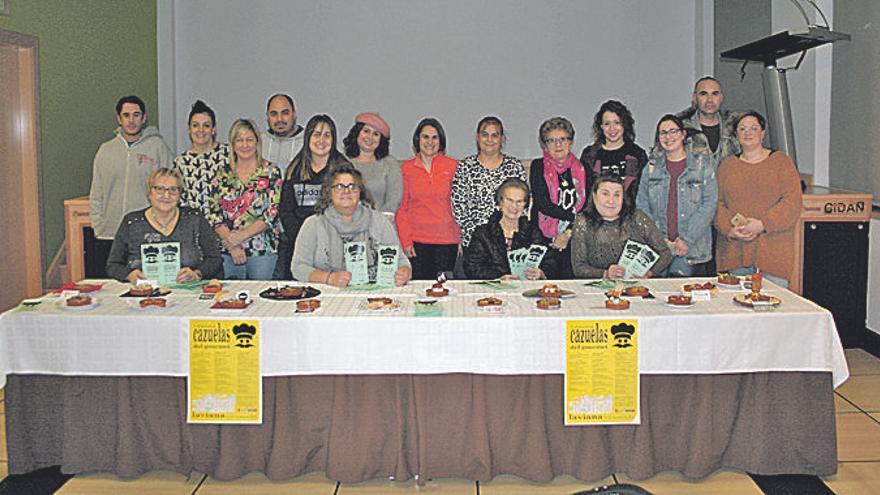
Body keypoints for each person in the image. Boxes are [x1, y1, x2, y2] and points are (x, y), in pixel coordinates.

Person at [715, 111, 802, 287]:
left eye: (753, 128)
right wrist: (729, 229)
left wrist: (763, 224)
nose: (748, 133)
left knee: (771, 308)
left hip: (773, 253)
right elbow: (716, 204)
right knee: (737, 309)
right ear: (736, 134)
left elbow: (792, 202)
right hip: (735, 252)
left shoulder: (781, 162)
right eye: (742, 129)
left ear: (763, 133)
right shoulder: (727, 166)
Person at [89, 95, 173, 275]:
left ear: (144, 118)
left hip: (146, 233)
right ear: (119, 119)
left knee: (148, 288)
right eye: (126, 115)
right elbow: (97, 193)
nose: (131, 120)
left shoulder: (158, 148)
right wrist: (98, 226)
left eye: (136, 115)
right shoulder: (105, 151)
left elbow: (171, 190)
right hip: (109, 234)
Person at [291, 166, 412, 286]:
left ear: (360, 192)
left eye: (352, 186)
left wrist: (404, 273)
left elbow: (401, 261)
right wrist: (329, 278)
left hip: (374, 294)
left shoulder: (379, 221)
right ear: (329, 192)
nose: (346, 192)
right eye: (339, 187)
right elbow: (298, 267)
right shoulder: (313, 224)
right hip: (327, 293)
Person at [636, 114, 718, 277]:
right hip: (659, 248)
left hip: (691, 249)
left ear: (683, 135)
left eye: (673, 131)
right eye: (663, 133)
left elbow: (709, 204)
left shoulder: (702, 166)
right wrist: (658, 240)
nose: (668, 137)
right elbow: (642, 205)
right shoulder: (651, 168)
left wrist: (686, 239)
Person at [106, 168, 222, 283]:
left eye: (173, 189)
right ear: (150, 193)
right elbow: (113, 266)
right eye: (160, 189)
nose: (166, 195)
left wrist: (197, 274)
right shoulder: (131, 222)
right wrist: (128, 275)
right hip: (144, 294)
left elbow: (215, 259)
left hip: (190, 292)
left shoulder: (194, 218)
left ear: (180, 194)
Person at [273, 115, 351, 280]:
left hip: (335, 247)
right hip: (299, 246)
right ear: (307, 137)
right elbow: (286, 211)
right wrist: (304, 240)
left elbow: (350, 208)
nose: (321, 140)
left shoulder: (344, 169)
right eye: (316, 134)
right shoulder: (295, 168)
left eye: (327, 135)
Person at [208, 118, 283, 280]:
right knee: (231, 301)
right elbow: (214, 215)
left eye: (249, 139)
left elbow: (272, 213)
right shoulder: (222, 174)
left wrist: (240, 237)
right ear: (233, 144)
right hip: (229, 251)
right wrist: (232, 245)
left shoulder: (271, 172)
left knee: (263, 302)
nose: (245, 145)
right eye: (239, 140)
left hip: (262, 251)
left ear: (257, 141)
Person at [571, 174, 672, 279]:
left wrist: (648, 273)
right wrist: (605, 274)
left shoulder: (637, 217)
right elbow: (579, 268)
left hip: (637, 288)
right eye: (605, 194)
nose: (611, 201)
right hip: (599, 289)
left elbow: (665, 253)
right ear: (594, 196)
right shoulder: (583, 222)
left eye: (617, 195)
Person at [395, 118, 460, 280]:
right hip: (417, 243)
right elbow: (401, 209)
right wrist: (406, 241)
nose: (429, 142)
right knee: (419, 292)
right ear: (418, 140)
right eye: (425, 137)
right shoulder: (405, 169)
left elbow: (461, 206)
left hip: (447, 241)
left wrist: (461, 239)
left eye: (434, 137)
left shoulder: (454, 167)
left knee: (445, 291)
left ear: (441, 141)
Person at [451, 116, 527, 250]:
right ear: (477, 137)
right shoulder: (465, 167)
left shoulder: (514, 167)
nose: (489, 140)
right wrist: (482, 238)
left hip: (509, 243)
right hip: (475, 244)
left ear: (502, 139)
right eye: (485, 135)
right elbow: (458, 209)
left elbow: (523, 206)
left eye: (495, 135)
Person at [464, 178, 558, 280]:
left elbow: (551, 261)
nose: (514, 206)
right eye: (509, 200)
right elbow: (472, 267)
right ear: (500, 201)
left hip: (526, 289)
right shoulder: (483, 233)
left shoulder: (533, 231)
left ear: (525, 205)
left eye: (519, 201)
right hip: (493, 291)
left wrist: (542, 273)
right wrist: (498, 278)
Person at [529, 117, 588, 279]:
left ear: (571, 142)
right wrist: (574, 217)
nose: (558, 145)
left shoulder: (584, 169)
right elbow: (543, 204)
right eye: (552, 140)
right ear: (545, 145)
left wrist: (568, 232)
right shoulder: (537, 166)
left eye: (563, 139)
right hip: (543, 237)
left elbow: (587, 207)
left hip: (575, 237)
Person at [579, 100, 647, 202]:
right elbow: (585, 191)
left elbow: (644, 192)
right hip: (596, 216)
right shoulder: (590, 155)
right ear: (601, 127)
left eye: (617, 123)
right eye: (607, 124)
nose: (612, 128)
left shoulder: (637, 154)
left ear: (624, 124)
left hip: (630, 215)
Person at [173, 100, 229, 219]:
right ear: (189, 129)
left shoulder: (229, 154)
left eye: (206, 125)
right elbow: (179, 202)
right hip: (195, 229)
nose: (201, 130)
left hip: (227, 229)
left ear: (213, 129)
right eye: (195, 125)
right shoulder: (181, 162)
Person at [343, 112, 403, 215]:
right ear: (357, 133)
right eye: (366, 131)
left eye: (376, 134)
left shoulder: (389, 164)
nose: (370, 137)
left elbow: (394, 201)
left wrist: (378, 224)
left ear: (381, 140)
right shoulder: (343, 163)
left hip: (381, 225)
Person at [677, 76, 741, 168]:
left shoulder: (735, 126)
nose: (710, 100)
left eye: (715, 94)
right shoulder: (680, 128)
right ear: (694, 98)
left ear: (721, 97)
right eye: (703, 94)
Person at [261, 93, 304, 174]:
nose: (279, 119)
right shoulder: (258, 142)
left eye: (285, 113)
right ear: (267, 117)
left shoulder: (309, 141)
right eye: (274, 114)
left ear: (294, 114)